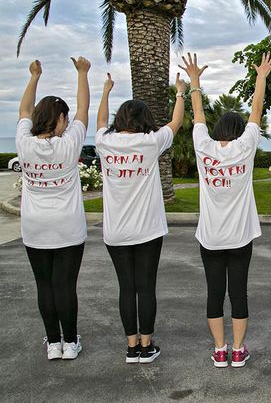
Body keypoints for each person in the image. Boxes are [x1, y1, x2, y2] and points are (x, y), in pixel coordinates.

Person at [180, 53, 271, 368]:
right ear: (239, 131)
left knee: (214, 293)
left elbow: (197, 116)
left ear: (219, 129)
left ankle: (219, 350)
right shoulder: (245, 147)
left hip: (210, 237)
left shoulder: (203, 146)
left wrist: (195, 81)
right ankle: (238, 350)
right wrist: (261, 77)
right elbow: (256, 111)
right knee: (238, 293)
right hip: (239, 238)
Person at [95, 70, 186, 364]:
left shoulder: (104, 142)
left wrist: (106, 91)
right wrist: (181, 92)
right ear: (145, 119)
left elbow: (99, 122)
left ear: (120, 119)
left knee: (126, 288)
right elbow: (176, 122)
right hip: (147, 230)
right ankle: (146, 346)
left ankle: (131, 346)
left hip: (116, 232)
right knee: (146, 286)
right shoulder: (150, 142)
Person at [16, 57, 91, 360]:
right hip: (68, 226)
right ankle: (70, 343)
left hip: (35, 226)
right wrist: (83, 74)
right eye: (66, 117)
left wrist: (34, 76)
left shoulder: (23, 143)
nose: (68, 121)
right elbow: (84, 109)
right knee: (65, 285)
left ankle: (53, 343)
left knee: (44, 284)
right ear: (60, 118)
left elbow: (23, 110)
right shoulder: (68, 144)